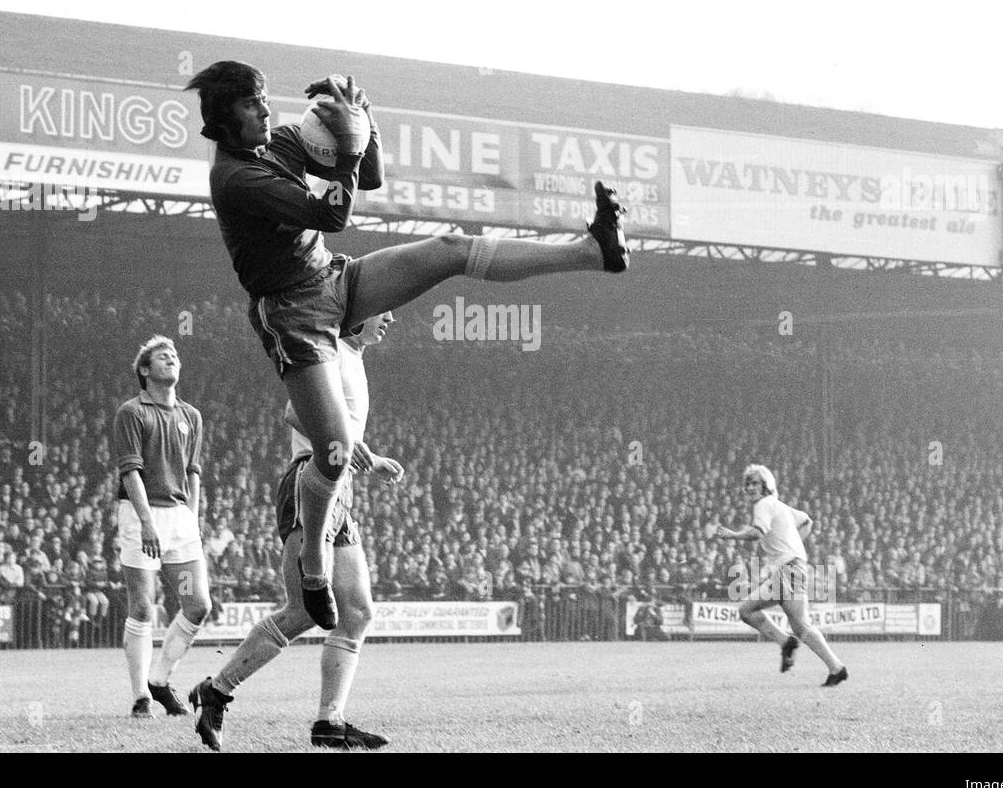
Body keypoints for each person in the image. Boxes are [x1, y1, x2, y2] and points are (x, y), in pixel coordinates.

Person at [182, 62, 629, 633]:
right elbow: (333, 213)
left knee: (449, 249)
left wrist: (366, 122)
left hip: (331, 279)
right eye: (253, 105)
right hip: (292, 314)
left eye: (266, 100)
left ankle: (592, 250)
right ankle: (315, 561)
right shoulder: (236, 178)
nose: (267, 112)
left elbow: (368, 179)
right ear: (224, 118)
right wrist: (346, 146)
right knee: (337, 451)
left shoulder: (278, 142)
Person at [189, 313, 403, 751]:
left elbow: (345, 437)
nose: (391, 319)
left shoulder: (356, 359)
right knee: (303, 610)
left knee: (358, 612)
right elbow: (294, 411)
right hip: (311, 482)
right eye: (383, 312)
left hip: (339, 491)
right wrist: (342, 439)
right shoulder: (333, 354)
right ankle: (217, 690)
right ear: (360, 317)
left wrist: (370, 458)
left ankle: (330, 722)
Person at [112, 335, 211, 718]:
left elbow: (194, 473)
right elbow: (131, 471)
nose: (171, 358)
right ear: (144, 369)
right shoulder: (132, 412)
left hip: (180, 520)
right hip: (141, 516)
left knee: (198, 603)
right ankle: (141, 696)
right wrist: (147, 522)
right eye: (161, 356)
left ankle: (159, 679)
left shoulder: (192, 416)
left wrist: (194, 520)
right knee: (142, 605)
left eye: (174, 354)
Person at [716, 464, 848, 687]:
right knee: (791, 622)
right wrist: (793, 548)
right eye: (747, 483)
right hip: (790, 568)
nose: (749, 487)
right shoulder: (779, 506)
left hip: (789, 569)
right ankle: (833, 667)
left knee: (755, 613)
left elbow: (757, 532)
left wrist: (732, 535)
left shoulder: (763, 505)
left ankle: (792, 645)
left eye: (755, 482)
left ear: (766, 485)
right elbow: (806, 521)